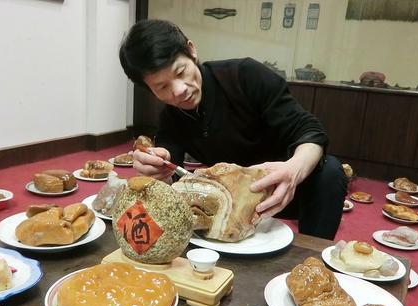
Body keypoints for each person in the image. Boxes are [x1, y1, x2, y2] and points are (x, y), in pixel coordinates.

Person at [119, 19, 347, 240]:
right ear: (149, 90)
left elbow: (309, 129)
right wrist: (158, 165)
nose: (179, 91)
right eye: (162, 87)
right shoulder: (171, 117)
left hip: (284, 191)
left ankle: (312, 256)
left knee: (331, 172)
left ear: (191, 50)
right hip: (228, 202)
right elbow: (171, 169)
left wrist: (294, 170)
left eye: (180, 72)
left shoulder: (245, 75)